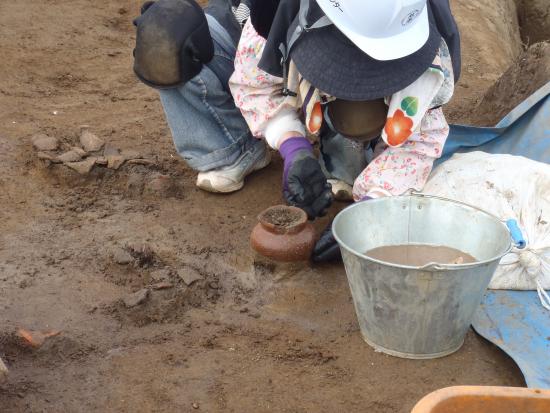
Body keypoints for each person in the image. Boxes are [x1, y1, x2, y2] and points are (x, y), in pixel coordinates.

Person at [229, 0, 461, 261]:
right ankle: (333, 139)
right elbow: (254, 84)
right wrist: (292, 144)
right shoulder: (273, 14)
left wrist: (371, 209)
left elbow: (421, 139)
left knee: (359, 118)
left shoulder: (422, 32)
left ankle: (352, 143)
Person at [133, 0, 271, 193]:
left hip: (311, 40)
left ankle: (328, 151)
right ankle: (234, 149)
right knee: (168, 32)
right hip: (246, 30)